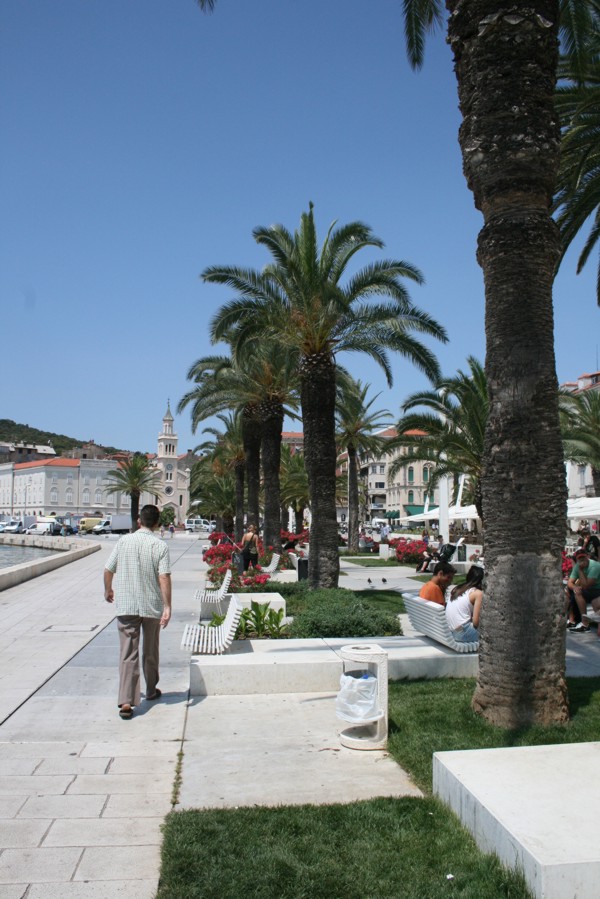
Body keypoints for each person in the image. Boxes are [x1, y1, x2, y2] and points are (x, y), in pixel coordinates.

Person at [103, 504, 172, 720]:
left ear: (139, 521)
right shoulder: (159, 545)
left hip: (126, 605)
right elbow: (164, 577)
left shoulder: (123, 541)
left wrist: (108, 589)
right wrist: (167, 605)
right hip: (151, 605)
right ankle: (151, 690)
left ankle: (126, 701)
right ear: (157, 523)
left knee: (128, 652)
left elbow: (108, 569)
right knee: (151, 650)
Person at [445, 565, 484, 643]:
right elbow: (476, 623)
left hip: (453, 631)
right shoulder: (478, 593)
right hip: (463, 633)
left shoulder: (457, 589)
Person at [566, 549, 600, 632]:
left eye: (583, 557)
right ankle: (573, 620)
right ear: (577, 559)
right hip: (589, 589)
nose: (582, 560)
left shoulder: (595, 566)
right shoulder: (578, 565)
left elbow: (586, 585)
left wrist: (580, 570)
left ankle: (585, 623)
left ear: (587, 556)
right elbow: (570, 582)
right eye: (579, 558)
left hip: (597, 588)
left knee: (580, 594)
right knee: (569, 592)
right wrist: (574, 587)